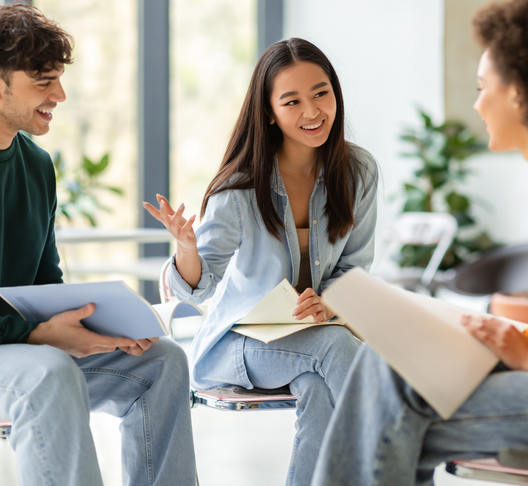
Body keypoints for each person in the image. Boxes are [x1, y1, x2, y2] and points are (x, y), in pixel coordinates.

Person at [310, 0, 528, 486]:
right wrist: (509, 339)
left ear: (517, 93)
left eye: (482, 86)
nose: (477, 103)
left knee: (387, 414)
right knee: (383, 368)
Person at [0, 2, 196, 486]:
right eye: (43, 82)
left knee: (163, 362)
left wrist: (101, 327)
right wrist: (36, 335)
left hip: (4, 350)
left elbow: (46, 285)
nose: (60, 94)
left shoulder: (35, 165)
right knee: (48, 373)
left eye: (58, 79)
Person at [144, 37, 378, 486]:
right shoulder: (240, 187)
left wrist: (329, 304)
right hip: (240, 344)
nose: (312, 112)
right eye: (292, 101)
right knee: (337, 348)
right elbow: (201, 286)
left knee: (319, 388)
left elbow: (356, 267)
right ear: (270, 111)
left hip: (316, 340)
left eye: (321, 93)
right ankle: (394, 459)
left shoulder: (359, 173)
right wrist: (187, 249)